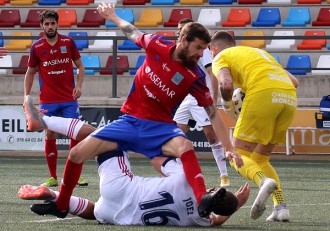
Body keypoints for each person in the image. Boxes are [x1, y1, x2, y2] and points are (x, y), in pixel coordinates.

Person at [24, 3, 243, 219]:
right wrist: (112, 16)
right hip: (130, 122)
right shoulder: (156, 45)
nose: (200, 54)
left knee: (185, 145)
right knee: (75, 154)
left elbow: (212, 112)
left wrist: (228, 147)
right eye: (198, 48)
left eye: (204, 49)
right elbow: (132, 32)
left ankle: (200, 198)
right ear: (183, 40)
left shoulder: (194, 76)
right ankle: (62, 204)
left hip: (160, 129)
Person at [18, 153, 250, 227]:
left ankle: (46, 122)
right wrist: (236, 205)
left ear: (209, 190)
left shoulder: (187, 179)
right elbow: (217, 220)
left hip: (122, 187)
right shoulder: (198, 221)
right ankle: (56, 197)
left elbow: (156, 159)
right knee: (97, 210)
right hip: (120, 217)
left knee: (106, 138)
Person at [209, 31, 299, 222]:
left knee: (235, 154)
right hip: (289, 98)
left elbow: (225, 84)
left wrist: (227, 105)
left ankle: (263, 181)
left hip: (262, 94)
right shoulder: (258, 53)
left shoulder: (220, 57)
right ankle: (281, 207)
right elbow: (295, 82)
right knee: (261, 158)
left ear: (213, 48)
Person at [23, 10, 88, 187]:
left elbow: (80, 67)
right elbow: (30, 72)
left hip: (69, 98)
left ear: (57, 24)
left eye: (53, 23)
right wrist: (26, 96)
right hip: (47, 100)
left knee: (75, 133)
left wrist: (79, 86)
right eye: (47, 24)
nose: (50, 27)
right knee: (50, 133)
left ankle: (76, 175)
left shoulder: (68, 42)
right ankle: (53, 177)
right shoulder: (36, 47)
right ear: (41, 26)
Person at [174, 18, 230, 188]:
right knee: (175, 133)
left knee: (211, 135)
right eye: (177, 28)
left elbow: (211, 71)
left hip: (200, 96)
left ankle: (224, 175)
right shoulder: (181, 50)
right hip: (186, 98)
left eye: (181, 28)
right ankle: (177, 173)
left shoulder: (200, 47)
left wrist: (212, 96)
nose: (178, 31)